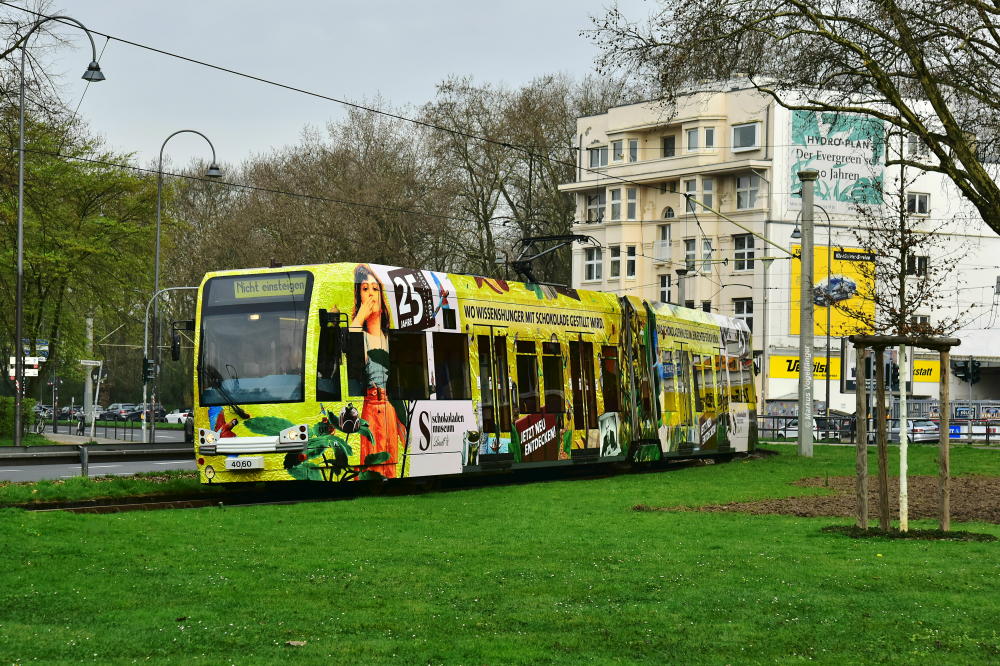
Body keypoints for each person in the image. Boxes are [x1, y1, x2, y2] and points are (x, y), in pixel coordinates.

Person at [351, 264, 405, 478]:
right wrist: (360, 316)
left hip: (390, 410)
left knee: (391, 463)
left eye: (375, 288)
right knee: (371, 460)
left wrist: (403, 421)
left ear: (382, 296)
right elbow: (354, 360)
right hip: (370, 409)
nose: (371, 294)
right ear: (359, 296)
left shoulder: (392, 338)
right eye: (365, 289)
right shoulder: (360, 336)